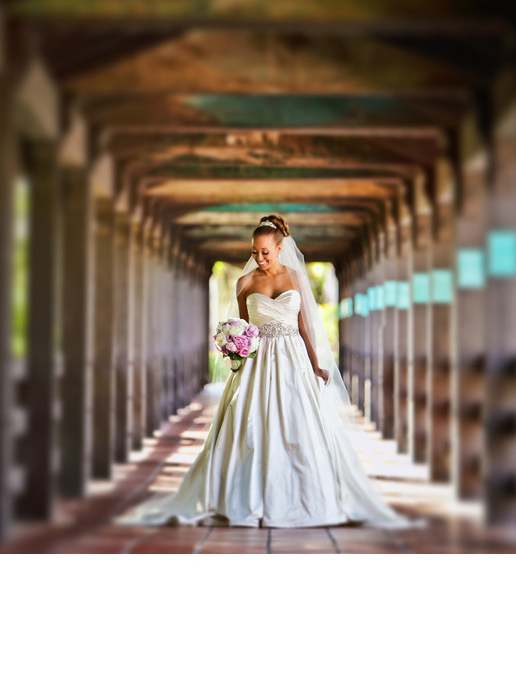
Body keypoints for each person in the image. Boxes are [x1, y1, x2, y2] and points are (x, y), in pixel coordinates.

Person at [119, 214, 411, 528]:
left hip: (292, 359)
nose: (259, 258)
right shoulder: (244, 283)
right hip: (257, 364)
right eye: (255, 251)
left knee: (297, 423)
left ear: (280, 247)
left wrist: (315, 365)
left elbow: (304, 327)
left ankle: (302, 497)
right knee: (250, 422)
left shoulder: (295, 278)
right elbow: (245, 328)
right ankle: (245, 496)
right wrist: (234, 346)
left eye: (265, 252)